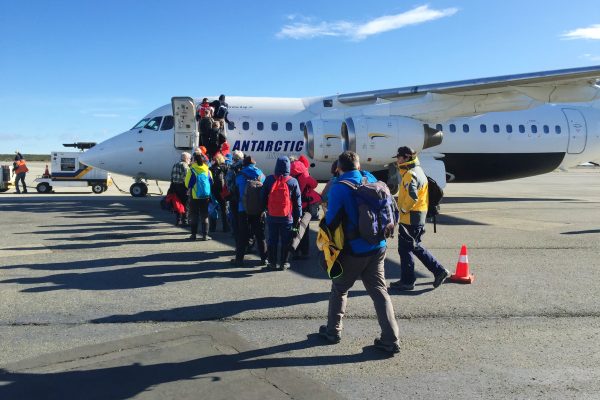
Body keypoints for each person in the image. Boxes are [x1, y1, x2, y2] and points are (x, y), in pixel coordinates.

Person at [318, 151, 400, 354]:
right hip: (378, 246)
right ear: (358, 164)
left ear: (339, 167)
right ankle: (391, 339)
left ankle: (333, 331)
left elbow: (331, 221)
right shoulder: (370, 179)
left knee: (340, 288)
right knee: (380, 292)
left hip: (355, 249)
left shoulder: (339, 188)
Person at [390, 146, 449, 291]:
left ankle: (409, 281)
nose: (397, 160)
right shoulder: (418, 171)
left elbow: (412, 196)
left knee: (406, 249)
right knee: (414, 247)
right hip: (418, 216)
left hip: (410, 217)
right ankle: (436, 272)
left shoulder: (410, 174)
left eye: (398, 157)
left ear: (405, 158)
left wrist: (402, 210)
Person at [261, 156, 302, 271]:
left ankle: (272, 262)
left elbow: (262, 197)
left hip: (272, 215)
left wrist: (266, 209)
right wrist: (298, 216)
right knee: (286, 240)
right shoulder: (293, 181)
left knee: (272, 239)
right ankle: (284, 263)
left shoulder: (269, 179)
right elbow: (297, 202)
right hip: (287, 217)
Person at [231, 155, 266, 267]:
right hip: (258, 209)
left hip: (243, 208)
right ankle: (264, 259)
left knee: (243, 234)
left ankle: (239, 260)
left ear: (244, 164)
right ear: (254, 164)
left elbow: (234, 189)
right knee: (260, 235)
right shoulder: (261, 174)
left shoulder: (240, 175)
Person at [290, 155, 321, 259]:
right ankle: (304, 252)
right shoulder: (304, 172)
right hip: (303, 205)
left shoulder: (287, 170)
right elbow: (314, 184)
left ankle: (294, 250)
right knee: (304, 228)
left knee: (293, 227)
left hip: (290, 205)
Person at [185, 152, 213, 241]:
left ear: (195, 160)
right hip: (205, 196)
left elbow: (187, 184)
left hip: (195, 196)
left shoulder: (192, 170)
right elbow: (211, 182)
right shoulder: (207, 169)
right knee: (205, 215)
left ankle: (193, 235)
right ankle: (205, 235)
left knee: (194, 215)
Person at [209, 153, 230, 232]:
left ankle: (212, 227)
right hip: (223, 191)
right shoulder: (226, 168)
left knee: (213, 209)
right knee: (224, 209)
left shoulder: (211, 168)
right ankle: (225, 227)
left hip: (213, 191)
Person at [170, 152, 191, 226]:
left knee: (178, 204)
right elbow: (187, 178)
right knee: (186, 204)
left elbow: (172, 176)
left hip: (175, 186)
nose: (190, 160)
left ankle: (178, 220)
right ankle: (185, 221)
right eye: (189, 159)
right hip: (183, 187)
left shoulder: (175, 165)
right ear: (186, 158)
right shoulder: (185, 166)